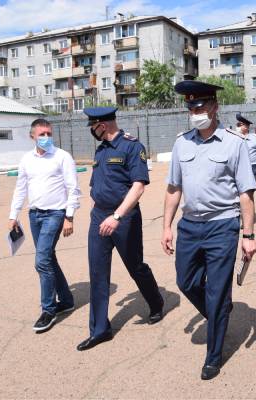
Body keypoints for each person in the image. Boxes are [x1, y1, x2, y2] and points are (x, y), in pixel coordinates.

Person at [161, 80, 256, 380]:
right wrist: (166, 227)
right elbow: (173, 188)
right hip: (190, 226)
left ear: (215, 107)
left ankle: (213, 356)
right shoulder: (182, 143)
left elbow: (246, 193)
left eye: (200, 107)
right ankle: (219, 313)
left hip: (222, 226)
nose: (195, 113)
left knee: (216, 293)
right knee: (185, 282)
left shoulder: (234, 143)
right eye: (191, 108)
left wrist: (248, 236)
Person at [76, 107, 164, 351]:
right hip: (99, 217)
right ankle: (99, 330)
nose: (91, 131)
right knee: (97, 273)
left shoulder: (132, 147)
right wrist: (96, 212)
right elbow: (96, 186)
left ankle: (156, 302)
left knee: (136, 266)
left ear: (102, 125)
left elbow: (138, 186)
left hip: (124, 218)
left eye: (93, 126)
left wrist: (116, 216)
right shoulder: (101, 149)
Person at [8, 118, 81, 333]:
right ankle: (66, 300)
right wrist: (13, 215)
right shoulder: (26, 159)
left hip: (55, 214)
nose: (46, 137)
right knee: (48, 258)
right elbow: (20, 188)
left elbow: (73, 188)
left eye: (49, 133)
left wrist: (69, 217)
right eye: (42, 134)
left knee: (41, 262)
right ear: (32, 136)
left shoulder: (62, 157)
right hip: (35, 215)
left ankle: (48, 310)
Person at [235, 113, 256, 182]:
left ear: (246, 127)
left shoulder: (255, 139)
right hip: (237, 167)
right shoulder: (234, 138)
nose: (237, 127)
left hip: (252, 168)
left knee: (249, 188)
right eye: (237, 125)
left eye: (239, 125)